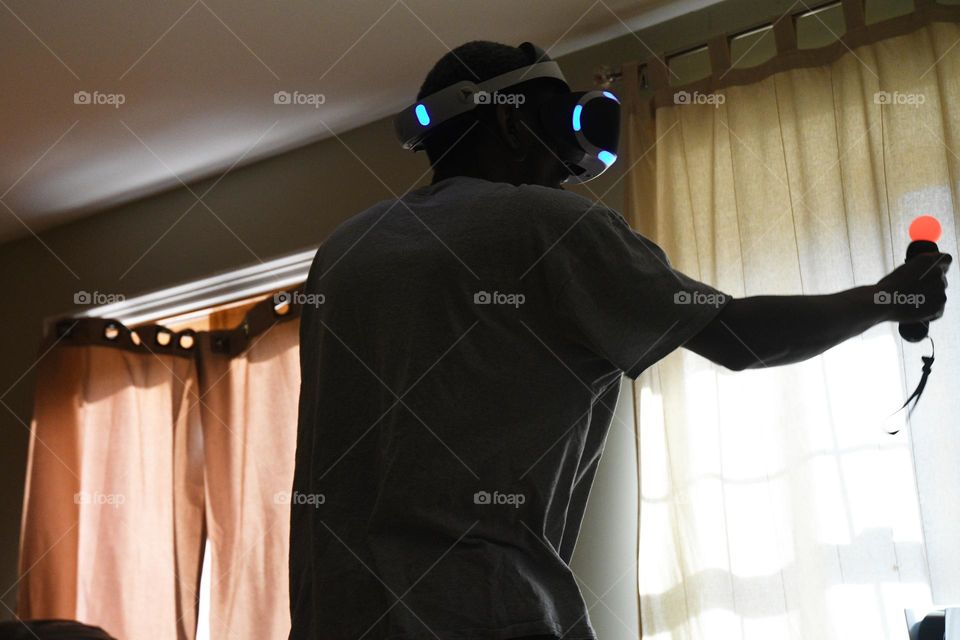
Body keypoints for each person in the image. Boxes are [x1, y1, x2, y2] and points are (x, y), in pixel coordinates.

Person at [288, 41, 950, 640]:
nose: (568, 169)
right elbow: (741, 340)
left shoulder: (345, 252)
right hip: (479, 616)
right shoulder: (544, 223)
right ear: (512, 122)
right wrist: (888, 297)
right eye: (556, 132)